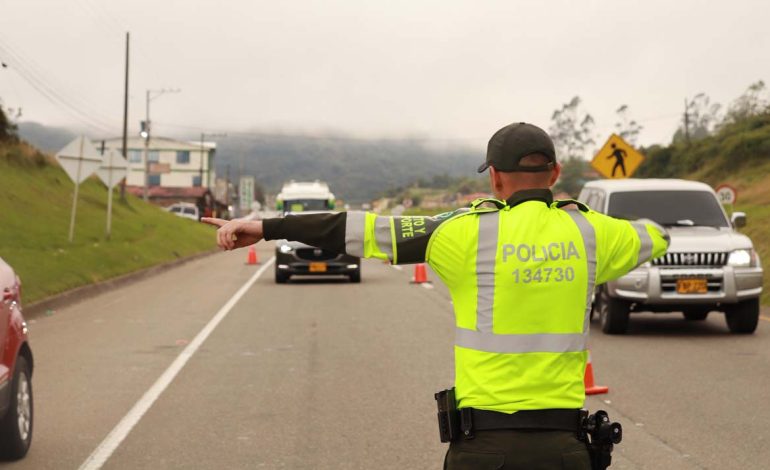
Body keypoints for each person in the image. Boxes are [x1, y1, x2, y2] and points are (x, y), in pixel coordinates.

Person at [202, 122, 669, 469]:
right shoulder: (594, 232)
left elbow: (356, 228)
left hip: (484, 450)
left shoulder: (461, 232)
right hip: (566, 451)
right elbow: (655, 234)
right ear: (555, 173)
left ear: (495, 180)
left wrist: (265, 227)